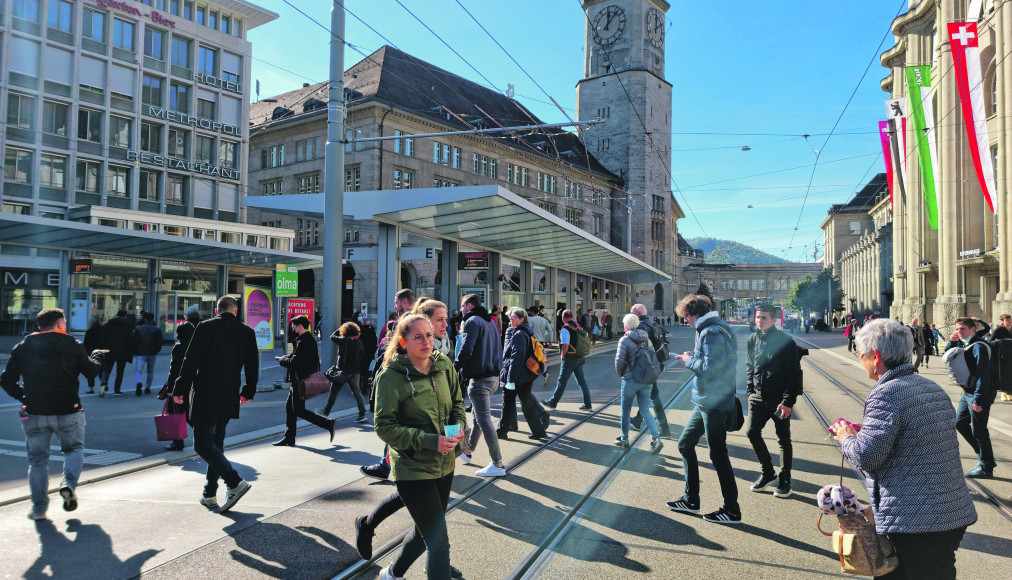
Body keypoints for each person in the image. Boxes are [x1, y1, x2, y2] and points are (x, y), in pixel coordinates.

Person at [831, 319, 977, 580]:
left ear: (875, 357)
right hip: (949, 510)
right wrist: (867, 429)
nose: (859, 358)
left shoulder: (886, 393)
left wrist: (846, 437)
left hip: (917, 520)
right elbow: (916, 433)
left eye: (860, 353)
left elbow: (867, 456)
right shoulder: (929, 387)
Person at [373, 315, 467, 580]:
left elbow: (458, 403)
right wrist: (430, 441)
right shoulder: (391, 376)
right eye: (418, 337)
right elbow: (384, 427)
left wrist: (458, 426)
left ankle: (392, 574)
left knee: (426, 527)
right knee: (438, 540)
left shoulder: (443, 364)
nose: (427, 341)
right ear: (403, 341)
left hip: (444, 463)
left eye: (429, 335)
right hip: (412, 468)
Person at [1, 308, 104, 521]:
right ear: (59, 324)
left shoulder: (23, 346)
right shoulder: (72, 344)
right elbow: (91, 372)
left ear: (40, 325)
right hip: (68, 409)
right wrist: (96, 356)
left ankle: (39, 509)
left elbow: (6, 380)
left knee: (37, 461)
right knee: (74, 449)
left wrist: (26, 398)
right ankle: (68, 484)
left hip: (35, 411)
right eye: (64, 321)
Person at [172, 296, 258, 513]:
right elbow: (252, 365)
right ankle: (209, 494)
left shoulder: (206, 326)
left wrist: (179, 389)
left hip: (206, 393)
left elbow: (191, 360)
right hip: (230, 395)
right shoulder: (247, 332)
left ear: (216, 309)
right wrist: (248, 391)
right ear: (236, 311)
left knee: (202, 444)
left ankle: (234, 481)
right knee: (215, 445)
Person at [667, 294, 741, 524]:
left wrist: (688, 361)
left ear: (695, 313)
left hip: (714, 401)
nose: (686, 322)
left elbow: (711, 368)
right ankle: (691, 500)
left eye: (686, 317)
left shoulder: (712, 332)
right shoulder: (715, 328)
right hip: (706, 399)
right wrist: (693, 356)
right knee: (685, 444)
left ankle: (731, 510)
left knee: (718, 454)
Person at [745, 304, 802, 499]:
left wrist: (787, 402)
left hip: (779, 401)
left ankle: (785, 479)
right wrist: (750, 391)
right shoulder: (752, 339)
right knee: (752, 432)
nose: (760, 321)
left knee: (783, 439)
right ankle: (768, 472)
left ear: (774, 320)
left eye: (764, 318)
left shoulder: (785, 342)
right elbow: (749, 366)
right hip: (757, 398)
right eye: (758, 317)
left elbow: (794, 374)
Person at [361, 289, 417, 481]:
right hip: (407, 381)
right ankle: (387, 465)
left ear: (403, 302)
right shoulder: (413, 319)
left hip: (404, 382)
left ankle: (389, 467)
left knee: (395, 425)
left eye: (396, 302)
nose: (394, 307)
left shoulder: (409, 322)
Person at [455, 294, 506, 477]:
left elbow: (466, 349)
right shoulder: (491, 321)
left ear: (469, 305)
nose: (461, 310)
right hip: (493, 377)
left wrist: (455, 367)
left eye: (462, 306)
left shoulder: (472, 322)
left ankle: (497, 463)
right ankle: (468, 451)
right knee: (478, 417)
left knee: (484, 420)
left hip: (480, 379)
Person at [273, 315, 336, 447]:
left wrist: (282, 360)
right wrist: (287, 357)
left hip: (300, 380)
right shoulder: (306, 340)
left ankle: (327, 423)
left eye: (294, 327)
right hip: (299, 380)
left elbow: (295, 362)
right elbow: (298, 358)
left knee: (298, 410)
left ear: (300, 326)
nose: (293, 329)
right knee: (290, 408)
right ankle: (289, 437)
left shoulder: (305, 341)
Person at [946, 317, 997, 478]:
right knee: (960, 423)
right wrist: (952, 342)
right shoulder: (964, 343)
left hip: (979, 393)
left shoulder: (979, 346)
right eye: (957, 329)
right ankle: (984, 455)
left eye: (963, 329)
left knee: (979, 430)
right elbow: (949, 357)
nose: (959, 332)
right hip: (968, 391)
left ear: (972, 330)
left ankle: (986, 466)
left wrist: (979, 399)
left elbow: (984, 375)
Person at [498, 307, 550, 441]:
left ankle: (502, 431)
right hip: (525, 375)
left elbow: (517, 357)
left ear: (522, 319)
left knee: (508, 403)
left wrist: (510, 379)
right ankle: (538, 431)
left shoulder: (519, 334)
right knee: (525, 403)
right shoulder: (525, 332)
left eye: (513, 316)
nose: (510, 319)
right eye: (510, 316)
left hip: (517, 376)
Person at [613, 313, 663, 453]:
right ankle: (656, 439)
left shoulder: (624, 340)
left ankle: (625, 438)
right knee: (645, 410)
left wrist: (621, 374)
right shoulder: (647, 339)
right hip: (646, 380)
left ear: (626, 325)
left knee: (625, 410)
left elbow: (619, 361)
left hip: (630, 379)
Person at [628, 304, 672, 437]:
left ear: (638, 314)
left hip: (647, 367)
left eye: (632, 313)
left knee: (653, 396)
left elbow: (637, 351)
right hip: (656, 364)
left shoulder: (641, 327)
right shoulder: (653, 324)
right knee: (647, 394)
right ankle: (637, 420)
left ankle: (664, 428)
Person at [542, 310, 593, 411]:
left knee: (561, 381)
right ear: (572, 316)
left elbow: (565, 344)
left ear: (563, 318)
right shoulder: (578, 325)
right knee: (582, 381)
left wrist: (562, 357)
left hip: (569, 359)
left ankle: (553, 402)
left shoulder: (565, 328)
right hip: (580, 357)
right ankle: (587, 404)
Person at [158, 319, 196, 451]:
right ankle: (204, 435)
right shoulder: (197, 345)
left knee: (176, 412)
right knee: (190, 413)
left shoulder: (179, 346)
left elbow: (174, 369)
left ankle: (177, 441)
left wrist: (170, 388)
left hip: (179, 385)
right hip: (193, 385)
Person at [319, 322, 368, 422]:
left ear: (345, 331)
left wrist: (339, 329)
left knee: (334, 392)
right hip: (355, 370)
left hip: (343, 371)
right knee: (357, 392)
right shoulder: (359, 342)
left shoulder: (343, 340)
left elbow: (332, 336)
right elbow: (362, 355)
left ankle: (326, 411)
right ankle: (362, 414)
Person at [99, 309, 135, 396]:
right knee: (120, 371)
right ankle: (117, 390)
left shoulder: (108, 324)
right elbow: (130, 341)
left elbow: (102, 338)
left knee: (107, 370)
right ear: (125, 316)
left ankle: (103, 385)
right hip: (123, 351)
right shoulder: (128, 326)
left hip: (109, 350)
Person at [133, 311, 162, 396]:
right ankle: (147, 388)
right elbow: (159, 342)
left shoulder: (139, 329)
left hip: (141, 352)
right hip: (152, 352)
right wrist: (156, 350)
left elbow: (135, 341)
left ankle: (138, 382)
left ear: (145, 319)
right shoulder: (157, 329)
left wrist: (135, 351)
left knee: (138, 371)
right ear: (153, 319)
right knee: (150, 371)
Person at [83, 317, 102, 394]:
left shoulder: (89, 331)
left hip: (91, 353)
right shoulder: (103, 330)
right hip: (101, 352)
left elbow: (86, 344)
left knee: (91, 371)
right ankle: (103, 384)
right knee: (101, 370)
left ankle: (91, 388)